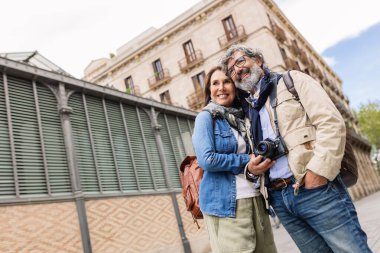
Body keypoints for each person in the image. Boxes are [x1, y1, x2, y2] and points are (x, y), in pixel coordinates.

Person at [220, 44, 372, 253]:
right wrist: (252, 169)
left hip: (315, 189)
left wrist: (317, 173)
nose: (237, 70)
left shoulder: (292, 81)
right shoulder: (248, 112)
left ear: (258, 61)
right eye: (231, 70)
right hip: (279, 198)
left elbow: (331, 123)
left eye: (240, 61)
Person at [192, 66, 277, 253]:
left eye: (226, 81)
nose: (221, 87)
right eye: (215, 83)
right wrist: (247, 160)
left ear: (234, 86)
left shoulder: (244, 118)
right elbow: (207, 159)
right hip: (227, 205)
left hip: (256, 198)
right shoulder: (206, 118)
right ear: (209, 91)